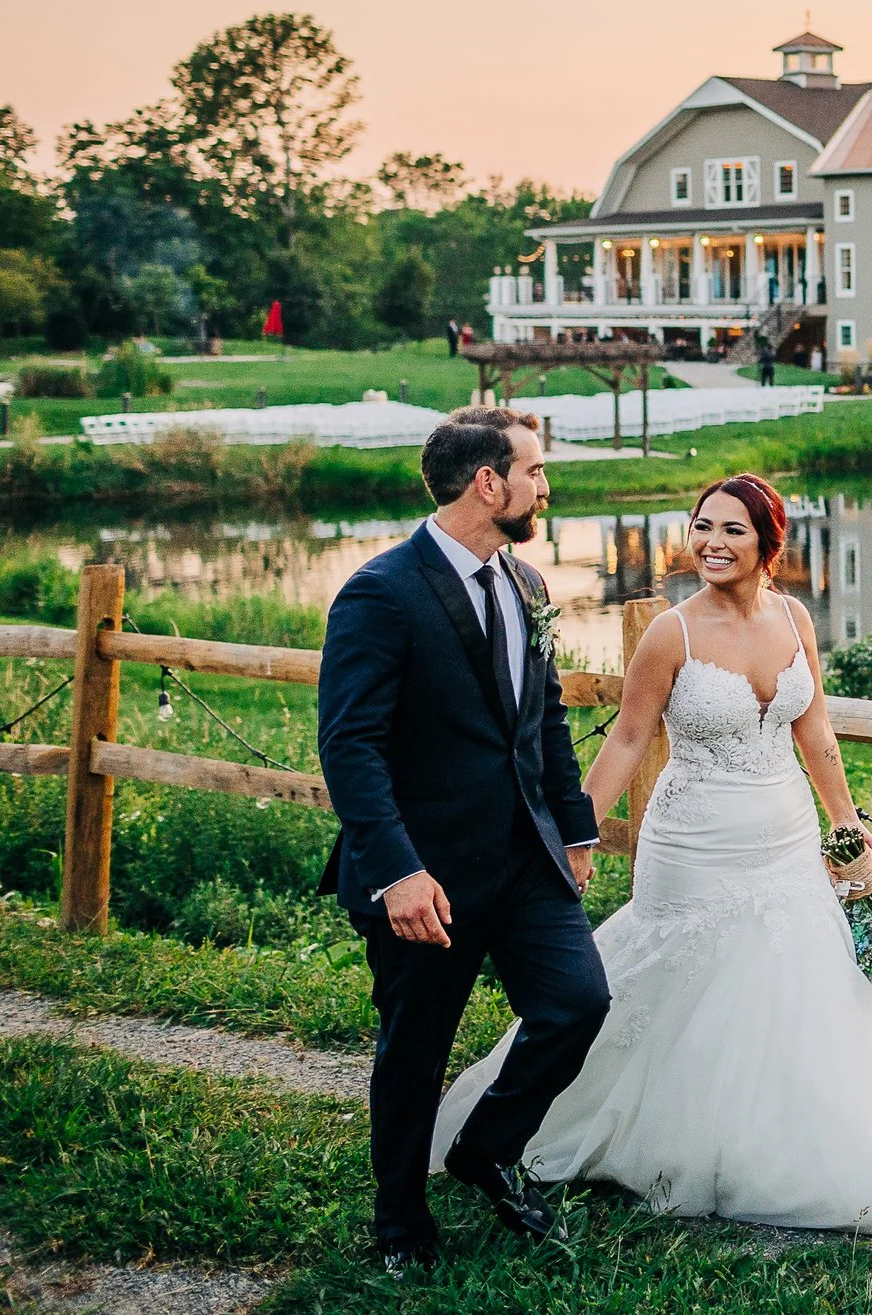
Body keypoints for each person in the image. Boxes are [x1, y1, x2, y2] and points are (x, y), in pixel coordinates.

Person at [432, 473, 872, 1236]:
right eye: (702, 525)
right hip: (693, 845)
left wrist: (848, 827)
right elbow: (630, 738)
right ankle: (543, 1124)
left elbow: (817, 733)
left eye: (732, 529)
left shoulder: (797, 616)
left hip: (784, 837)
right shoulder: (672, 632)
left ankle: (776, 1142)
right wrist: (571, 836)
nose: (711, 541)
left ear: (768, 543)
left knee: (791, 994)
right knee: (673, 989)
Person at [317, 407, 609, 1275]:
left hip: (526, 859)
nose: (546, 488)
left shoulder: (527, 584)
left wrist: (576, 828)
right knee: (414, 1050)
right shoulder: (380, 591)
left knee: (577, 1002)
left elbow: (544, 721)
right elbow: (350, 745)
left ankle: (482, 1149)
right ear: (490, 482)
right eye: (535, 471)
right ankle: (401, 1224)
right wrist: (398, 870)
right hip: (427, 876)